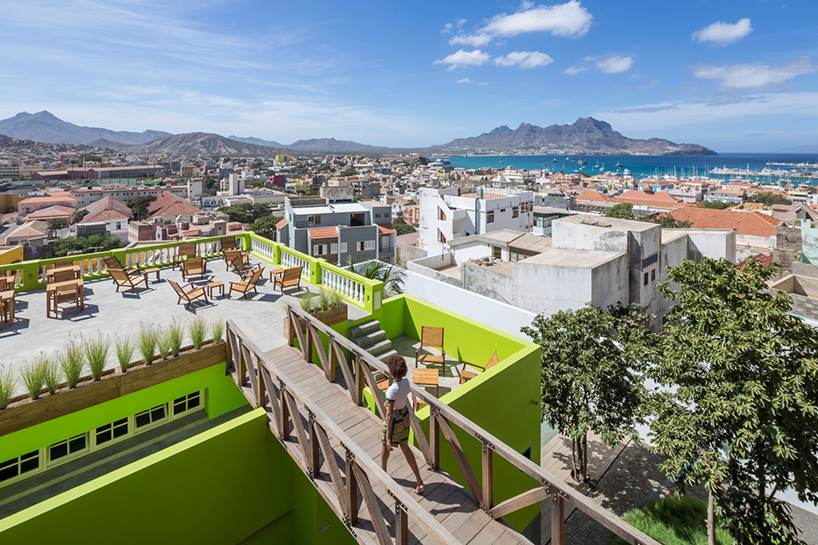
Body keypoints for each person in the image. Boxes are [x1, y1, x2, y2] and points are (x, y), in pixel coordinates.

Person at [381, 354, 425, 494]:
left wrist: (388, 438)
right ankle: (419, 480)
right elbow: (400, 397)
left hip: (394, 419)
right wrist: (390, 403)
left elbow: (389, 414)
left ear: (391, 371)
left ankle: (383, 473)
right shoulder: (406, 382)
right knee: (405, 447)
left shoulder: (391, 390)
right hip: (404, 416)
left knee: (384, 445)